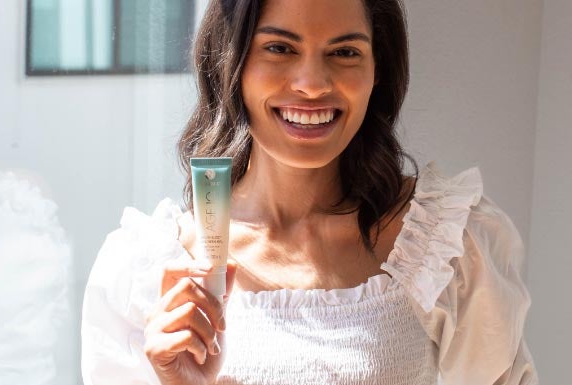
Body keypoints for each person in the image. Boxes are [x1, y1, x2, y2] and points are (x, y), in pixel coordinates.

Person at [81, 0, 538, 384]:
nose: (313, 84)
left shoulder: (448, 244)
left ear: (377, 69)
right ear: (231, 63)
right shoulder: (142, 273)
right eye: (279, 47)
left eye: (344, 52)